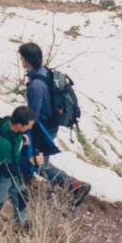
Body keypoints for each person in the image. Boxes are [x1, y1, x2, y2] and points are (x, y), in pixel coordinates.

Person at [18, 42, 92, 206]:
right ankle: (24, 182)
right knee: (31, 157)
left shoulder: (36, 86)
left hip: (43, 127)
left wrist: (22, 128)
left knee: (38, 162)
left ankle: (75, 186)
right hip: (50, 124)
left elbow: (33, 117)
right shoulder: (44, 72)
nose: (20, 59)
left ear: (27, 60)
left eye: (22, 57)